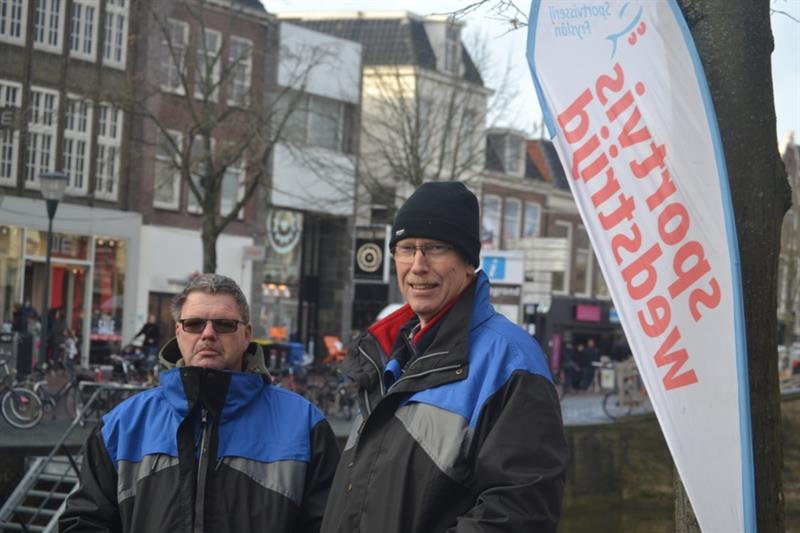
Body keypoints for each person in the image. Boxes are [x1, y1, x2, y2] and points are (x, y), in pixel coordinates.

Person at [320, 182, 569, 533]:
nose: (418, 265)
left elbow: (520, 514)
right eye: (406, 248)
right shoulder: (388, 355)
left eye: (435, 248)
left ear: (468, 263)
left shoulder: (512, 361)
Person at [60, 274, 340, 533]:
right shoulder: (120, 426)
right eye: (194, 324)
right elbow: (86, 522)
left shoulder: (304, 426)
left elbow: (331, 525)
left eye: (224, 324)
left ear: (247, 334)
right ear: (178, 332)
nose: (208, 334)